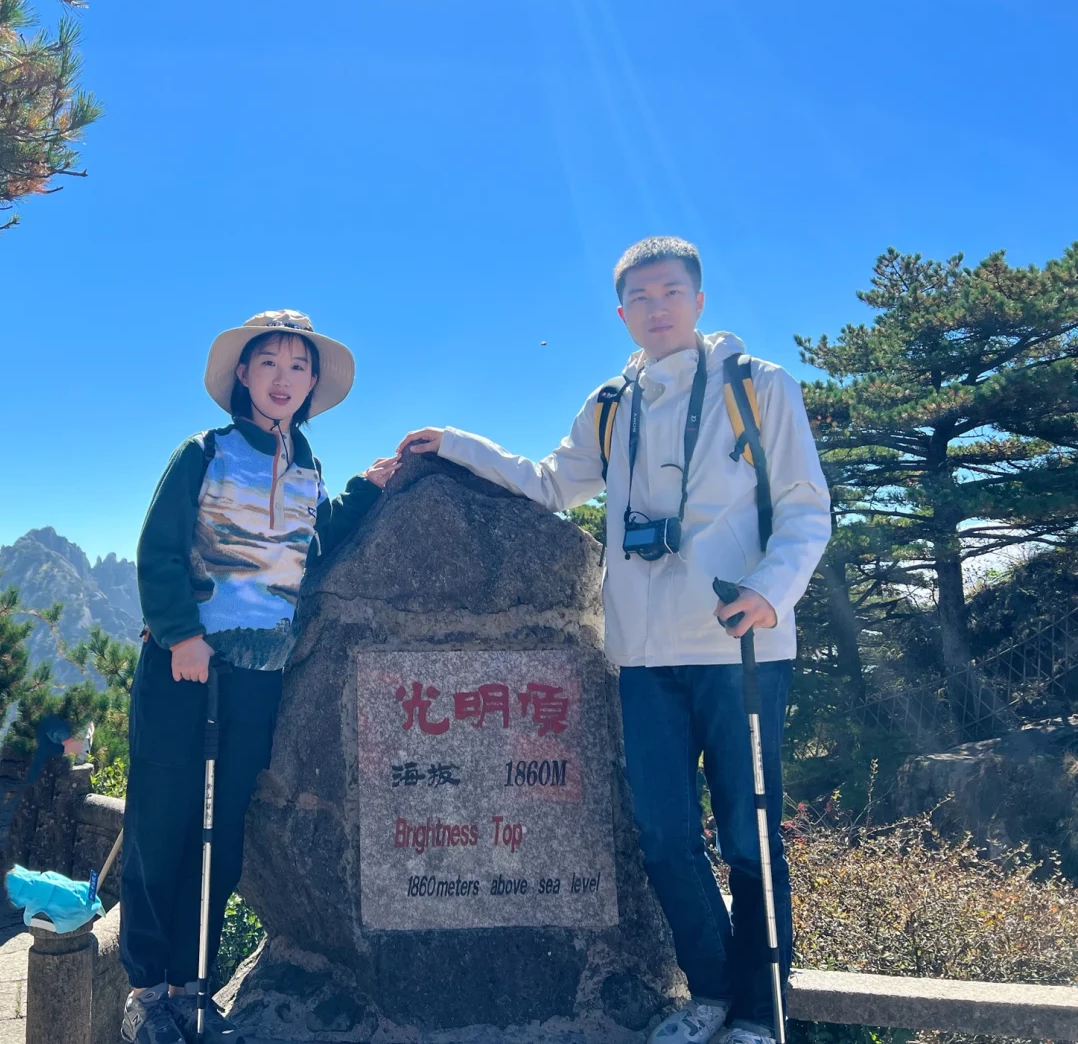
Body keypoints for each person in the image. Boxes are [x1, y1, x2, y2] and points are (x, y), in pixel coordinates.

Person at [397, 237, 830, 1044]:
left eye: (670, 291)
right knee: (664, 834)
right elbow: (552, 482)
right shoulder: (612, 402)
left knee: (748, 831)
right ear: (621, 311)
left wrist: (772, 595)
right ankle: (710, 991)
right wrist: (452, 444)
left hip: (741, 649)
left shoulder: (757, 385)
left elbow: (806, 506)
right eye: (640, 296)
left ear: (698, 301)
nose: (656, 307)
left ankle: (761, 1014)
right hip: (642, 655)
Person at [121, 310, 398, 1044]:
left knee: (221, 830)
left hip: (260, 675)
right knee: (162, 821)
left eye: (298, 367)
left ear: (312, 384)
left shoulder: (306, 467)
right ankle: (147, 992)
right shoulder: (203, 453)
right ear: (242, 374)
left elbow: (313, 544)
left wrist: (369, 490)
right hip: (182, 668)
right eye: (268, 363)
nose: (284, 378)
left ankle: (193, 986)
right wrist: (181, 634)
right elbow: (158, 549)